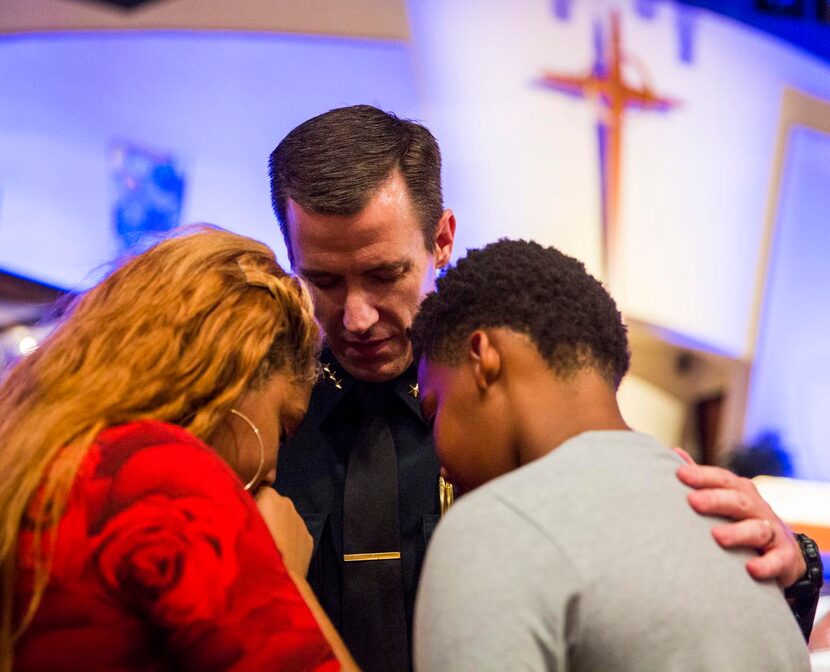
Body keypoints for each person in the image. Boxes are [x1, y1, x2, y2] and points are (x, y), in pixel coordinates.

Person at [269, 105, 818, 671]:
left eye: (385, 275)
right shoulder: (259, 422)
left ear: (441, 240)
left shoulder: (533, 423)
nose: (357, 317)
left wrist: (793, 568)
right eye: (325, 281)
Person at [409, 239, 811, 671]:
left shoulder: (490, 529)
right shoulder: (734, 526)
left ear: (483, 359)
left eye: (434, 409)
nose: (441, 462)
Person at [0, 227, 356, 671]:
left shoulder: (41, 457)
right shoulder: (169, 478)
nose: (274, 470)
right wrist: (280, 572)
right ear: (237, 373)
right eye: (283, 427)